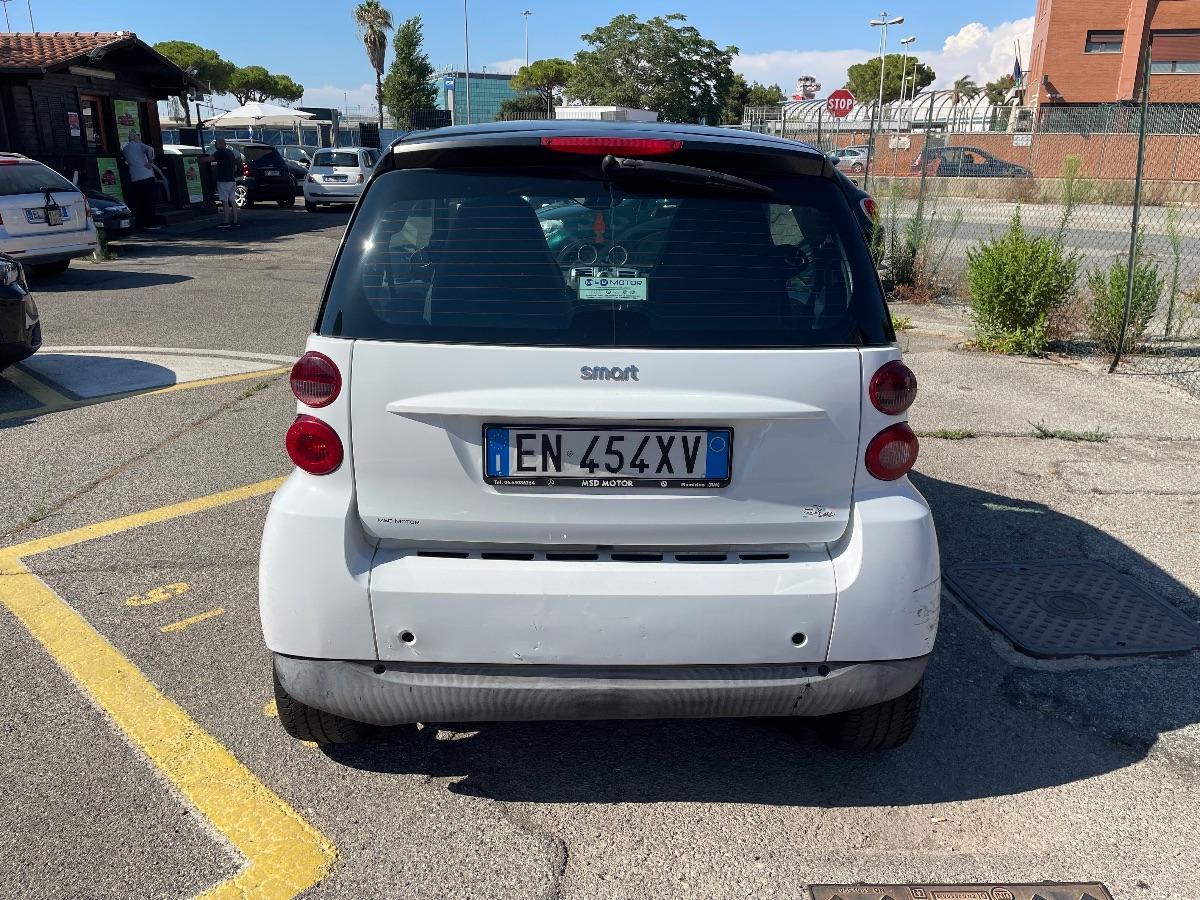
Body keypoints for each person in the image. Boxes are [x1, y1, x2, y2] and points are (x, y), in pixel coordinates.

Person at [121, 132, 158, 231]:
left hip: (135, 178)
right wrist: (150, 162)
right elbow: (150, 149)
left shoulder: (125, 149)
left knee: (139, 202)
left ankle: (140, 223)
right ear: (135, 138)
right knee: (149, 201)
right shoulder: (139, 145)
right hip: (146, 176)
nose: (140, 138)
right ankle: (150, 223)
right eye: (138, 136)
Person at [212, 138, 239, 228]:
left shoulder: (220, 152)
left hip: (223, 180)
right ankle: (235, 220)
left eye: (216, 144)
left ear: (220, 144)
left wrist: (195, 161)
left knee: (225, 201)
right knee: (232, 200)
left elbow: (210, 159)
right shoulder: (230, 152)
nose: (215, 146)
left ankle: (226, 221)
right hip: (232, 179)